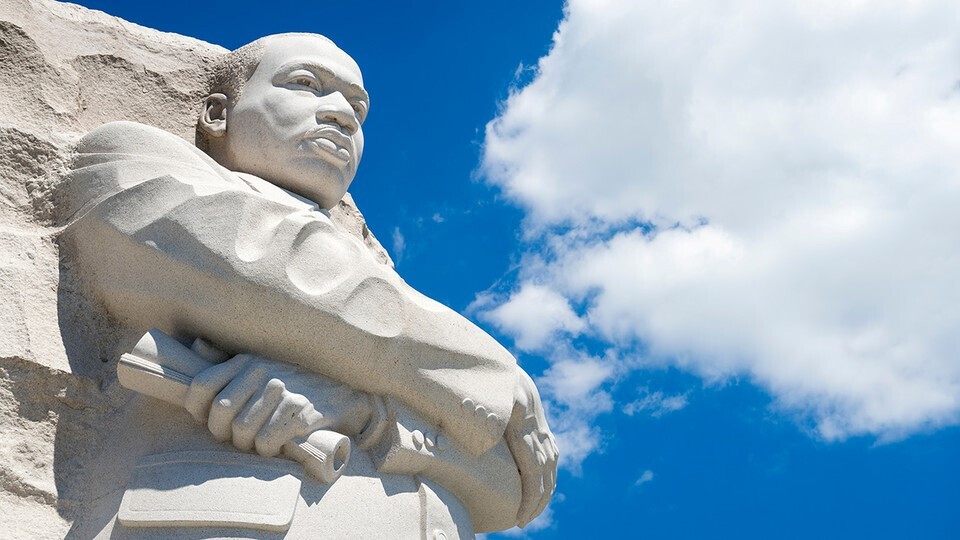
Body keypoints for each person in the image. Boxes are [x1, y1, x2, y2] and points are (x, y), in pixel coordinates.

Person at [60, 33, 556, 537]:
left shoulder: (388, 287)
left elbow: (518, 487)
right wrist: (496, 375)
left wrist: (364, 412)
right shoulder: (130, 160)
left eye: (359, 110)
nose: (343, 115)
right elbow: (280, 275)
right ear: (216, 115)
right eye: (305, 84)